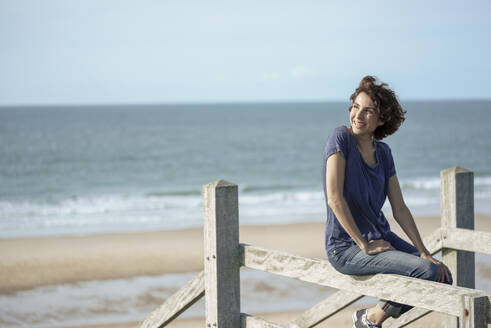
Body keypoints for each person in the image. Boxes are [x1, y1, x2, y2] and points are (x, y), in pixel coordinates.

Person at [322, 75, 453, 328]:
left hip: (381, 236)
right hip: (345, 247)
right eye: (355, 107)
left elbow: (400, 208)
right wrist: (363, 244)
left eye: (368, 111)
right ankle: (370, 320)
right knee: (425, 272)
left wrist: (424, 251)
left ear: (382, 120)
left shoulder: (384, 153)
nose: (358, 116)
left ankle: (370, 317)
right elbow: (334, 199)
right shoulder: (340, 138)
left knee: (442, 276)